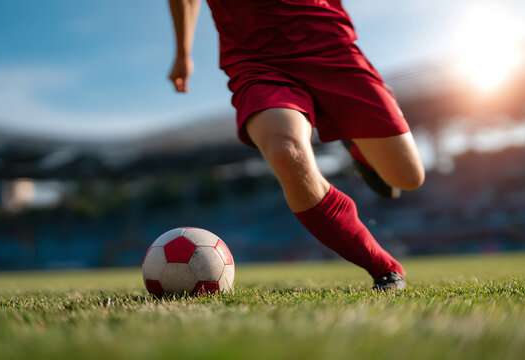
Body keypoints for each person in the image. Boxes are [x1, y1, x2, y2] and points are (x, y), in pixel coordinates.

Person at [167, 0, 425, 290]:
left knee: (407, 177)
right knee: (284, 151)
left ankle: (356, 145)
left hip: (326, 40)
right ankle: (384, 267)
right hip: (255, 56)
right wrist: (182, 53)